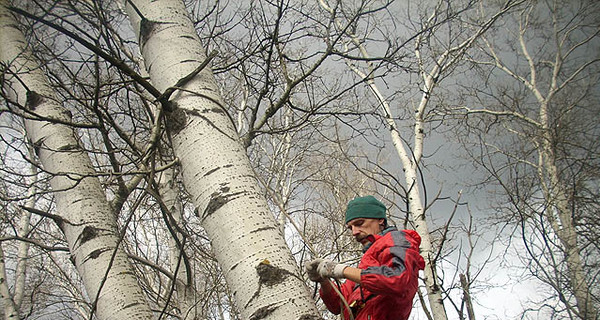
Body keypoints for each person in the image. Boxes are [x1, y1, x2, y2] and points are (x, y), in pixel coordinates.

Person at [305, 195, 425, 320]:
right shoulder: (365, 266)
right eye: (351, 228)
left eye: (360, 223)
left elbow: (398, 279)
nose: (354, 232)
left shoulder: (396, 240)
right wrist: (323, 281)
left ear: (380, 220)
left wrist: (341, 270)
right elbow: (337, 305)